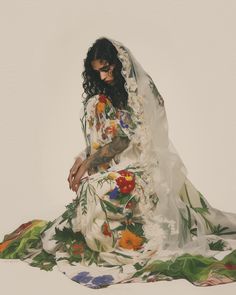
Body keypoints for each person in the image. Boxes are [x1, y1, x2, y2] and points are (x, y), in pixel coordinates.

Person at [1, 36, 236, 289]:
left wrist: (89, 163)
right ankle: (103, 233)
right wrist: (81, 159)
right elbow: (109, 138)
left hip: (144, 169)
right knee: (95, 108)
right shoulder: (106, 97)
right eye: (97, 72)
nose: (102, 77)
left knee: (92, 190)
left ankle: (115, 237)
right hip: (117, 168)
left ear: (118, 63)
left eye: (106, 68)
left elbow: (126, 142)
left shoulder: (141, 92)